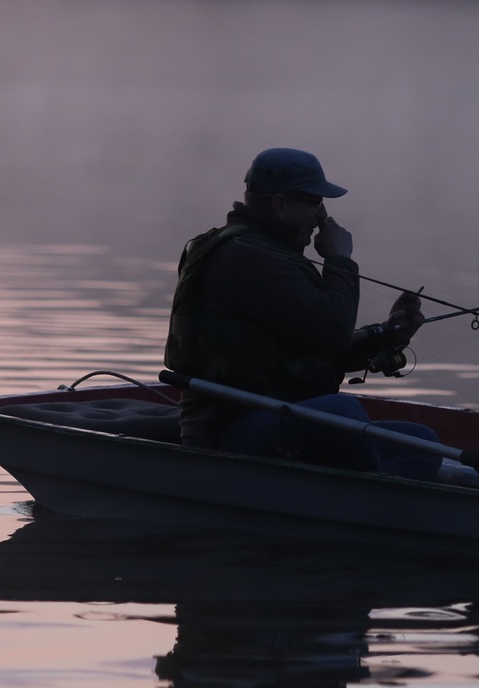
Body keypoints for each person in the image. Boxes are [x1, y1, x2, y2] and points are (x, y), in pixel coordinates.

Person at [164, 147, 437, 477]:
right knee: (341, 411)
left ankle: (374, 507)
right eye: (314, 201)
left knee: (421, 441)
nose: (322, 216)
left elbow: (315, 345)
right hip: (228, 430)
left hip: (275, 415)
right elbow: (334, 332)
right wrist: (340, 260)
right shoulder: (247, 257)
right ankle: (367, 507)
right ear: (280, 204)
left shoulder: (268, 253)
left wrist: (388, 334)